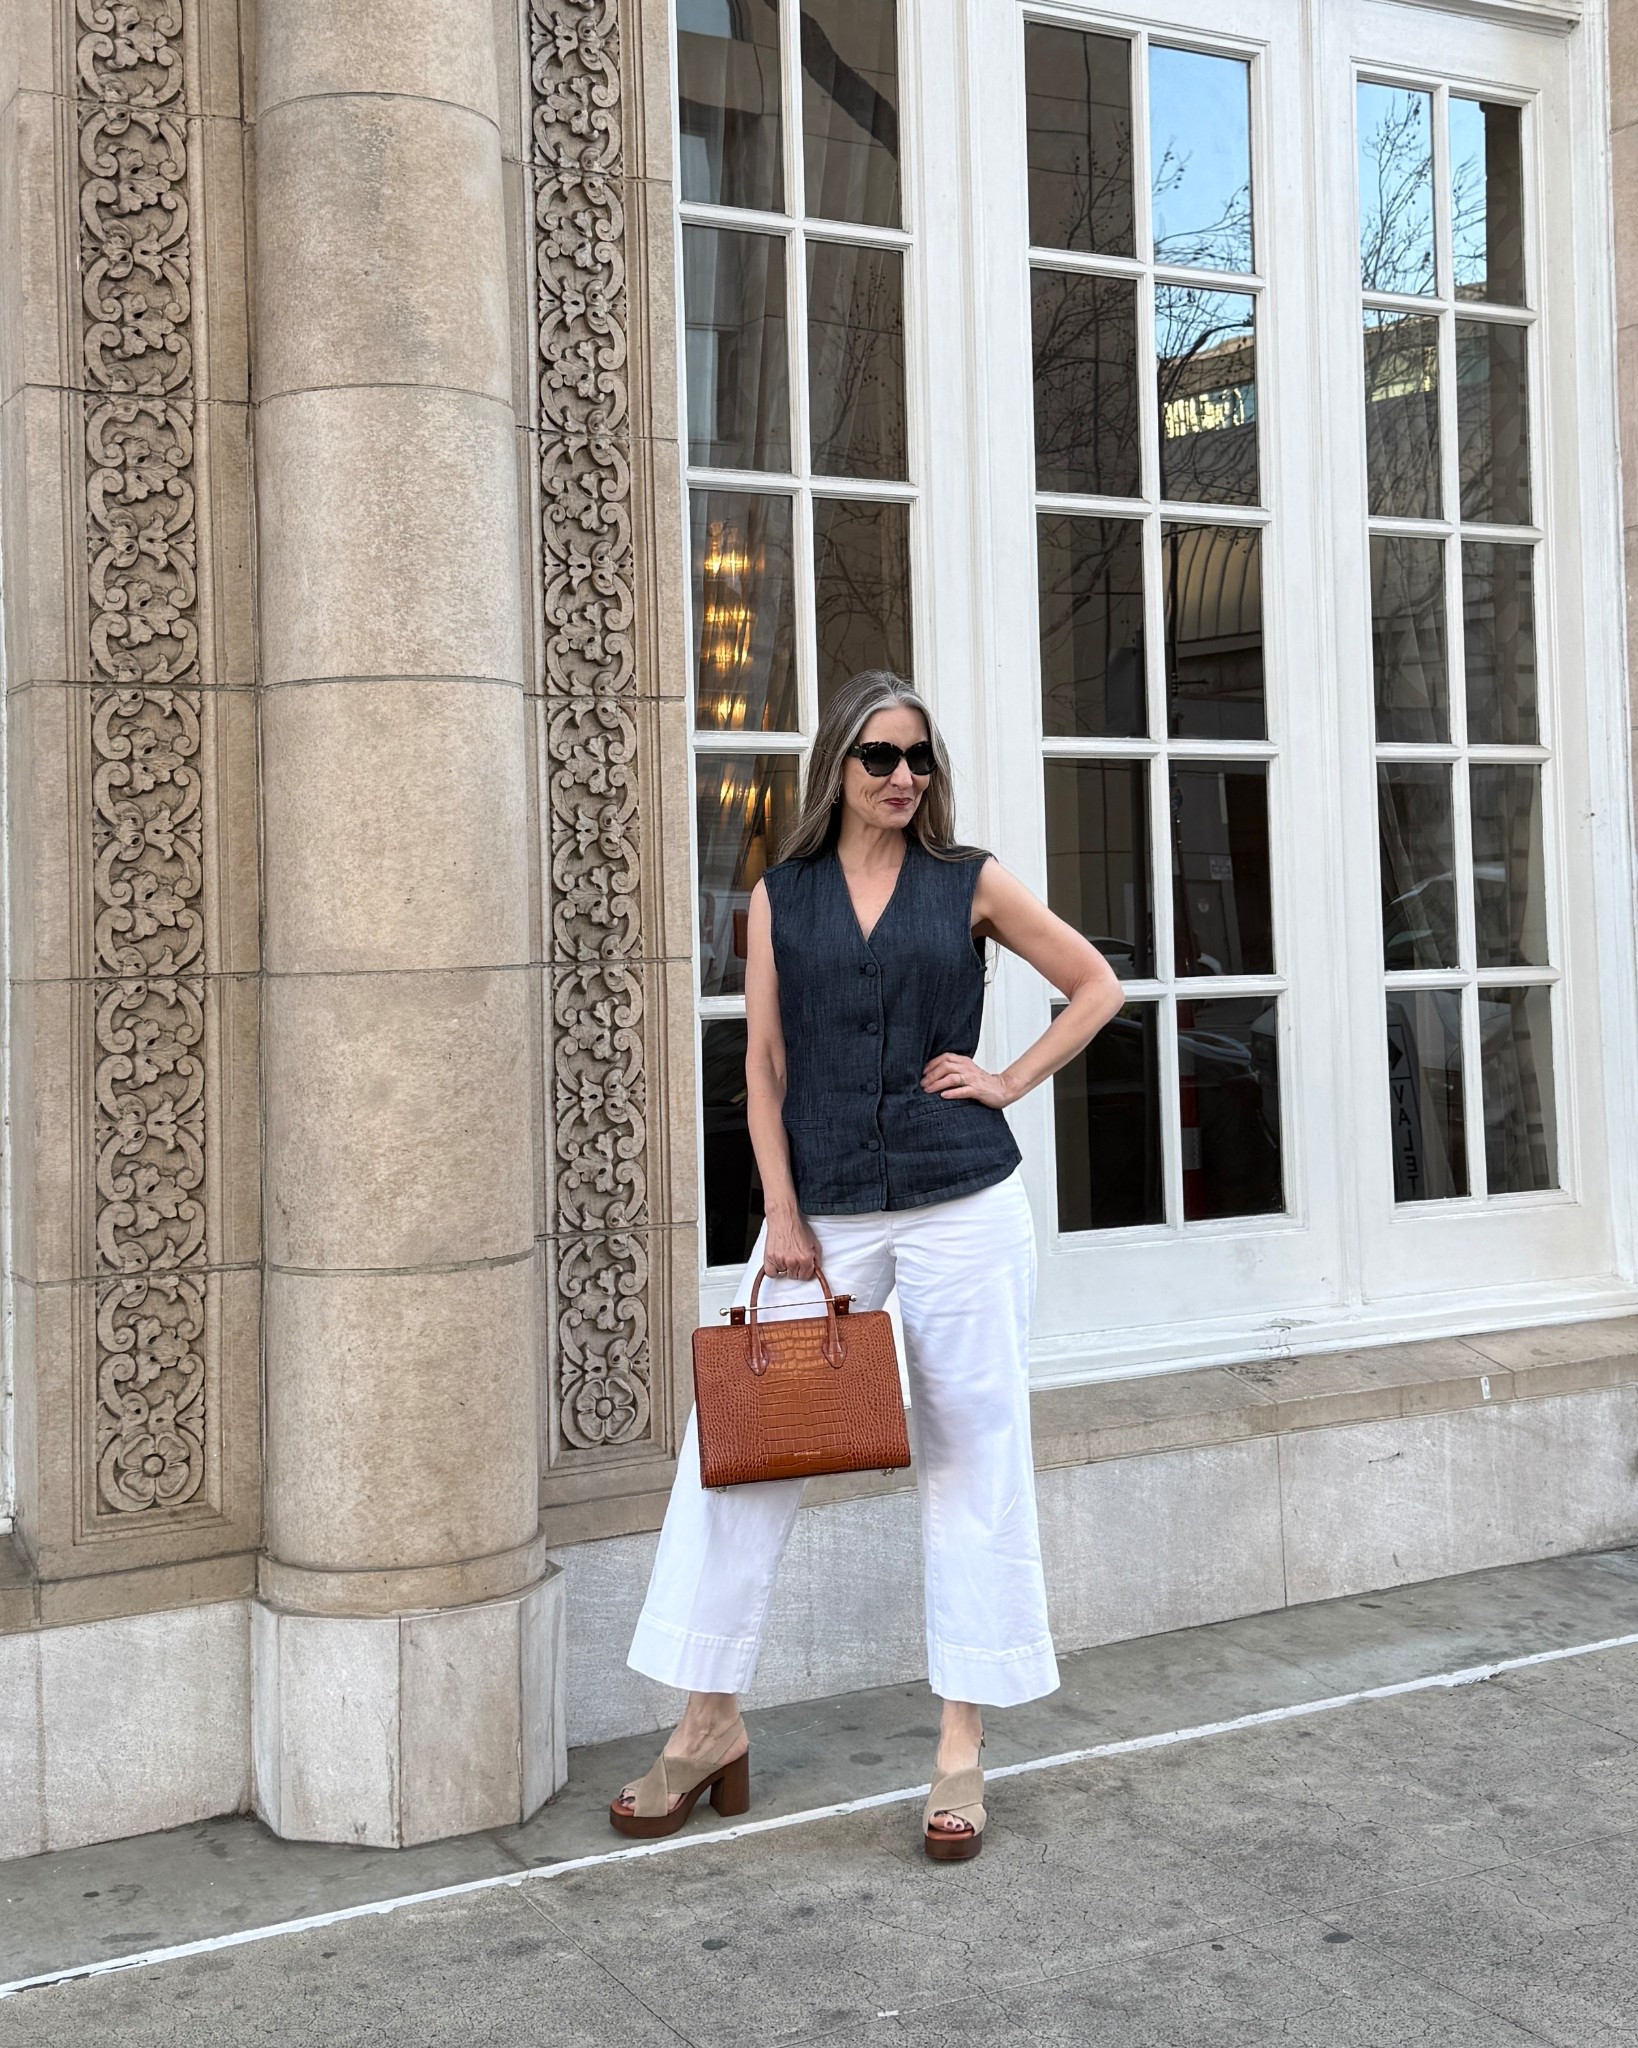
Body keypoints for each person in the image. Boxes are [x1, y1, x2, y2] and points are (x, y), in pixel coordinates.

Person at [610, 670, 1123, 1860]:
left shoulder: (969, 881)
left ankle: (960, 1738)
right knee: (734, 1454)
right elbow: (765, 1069)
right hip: (824, 1207)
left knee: (973, 1453)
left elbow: (1093, 984)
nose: (903, 777)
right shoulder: (779, 897)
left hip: (963, 1202)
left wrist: (1005, 1078)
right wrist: (780, 1212)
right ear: (838, 765)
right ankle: (707, 1721)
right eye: (881, 757)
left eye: (920, 760)